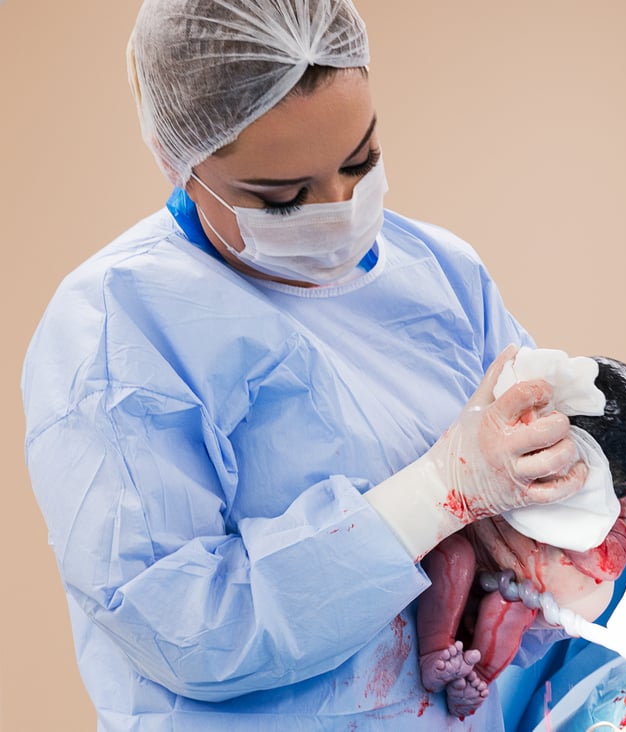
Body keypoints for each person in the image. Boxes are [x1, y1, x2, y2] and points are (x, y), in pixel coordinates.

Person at [21, 1, 593, 729]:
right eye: (282, 199)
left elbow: (537, 481)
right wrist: (434, 495)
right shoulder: (119, 325)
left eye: (362, 161)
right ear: (179, 162)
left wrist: (539, 535)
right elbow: (184, 630)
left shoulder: (442, 272)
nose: (341, 209)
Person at [415, 355, 626, 719]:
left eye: (620, 483)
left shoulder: (613, 502)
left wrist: (587, 522)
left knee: (512, 608)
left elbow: (607, 562)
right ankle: (434, 650)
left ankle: (476, 677)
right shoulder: (531, 414)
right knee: (455, 558)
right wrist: (462, 483)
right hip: (457, 541)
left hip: (515, 590)